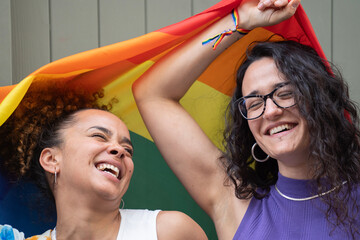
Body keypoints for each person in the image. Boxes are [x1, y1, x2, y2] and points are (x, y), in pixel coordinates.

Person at [133, 0, 360, 239]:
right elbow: (152, 94)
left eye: (285, 94)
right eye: (254, 104)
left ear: (319, 100)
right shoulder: (236, 203)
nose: (270, 111)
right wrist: (240, 20)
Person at [0, 81, 207, 240]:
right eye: (99, 136)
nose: (119, 150)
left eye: (127, 149)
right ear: (52, 159)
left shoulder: (169, 232)